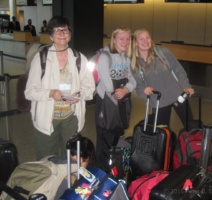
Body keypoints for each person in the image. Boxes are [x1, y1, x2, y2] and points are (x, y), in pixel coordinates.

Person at [25, 16, 95, 160]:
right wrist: (50, 93)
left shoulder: (79, 58)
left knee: (70, 158)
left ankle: (67, 182)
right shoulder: (41, 58)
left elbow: (90, 87)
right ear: (50, 35)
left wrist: (79, 95)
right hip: (46, 118)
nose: (62, 33)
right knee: (46, 159)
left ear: (70, 33)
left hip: (71, 117)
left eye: (65, 30)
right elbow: (30, 92)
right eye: (57, 30)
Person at [131, 28, 194, 128]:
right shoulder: (135, 63)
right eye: (141, 39)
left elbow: (178, 69)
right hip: (158, 100)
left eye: (147, 38)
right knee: (163, 134)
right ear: (136, 42)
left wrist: (186, 86)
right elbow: (139, 85)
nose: (145, 41)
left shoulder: (162, 52)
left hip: (178, 95)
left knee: (191, 127)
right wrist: (144, 90)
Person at [95, 27, 136, 173]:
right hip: (106, 105)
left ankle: (113, 171)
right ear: (113, 39)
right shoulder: (105, 56)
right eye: (121, 38)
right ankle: (101, 174)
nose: (125, 42)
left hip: (120, 104)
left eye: (127, 39)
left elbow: (133, 81)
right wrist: (123, 87)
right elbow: (107, 85)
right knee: (104, 141)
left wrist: (126, 89)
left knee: (117, 139)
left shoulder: (126, 59)